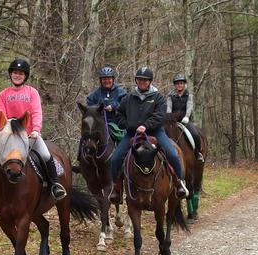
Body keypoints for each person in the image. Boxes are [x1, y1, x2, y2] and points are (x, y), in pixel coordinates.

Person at [0, 58, 67, 201]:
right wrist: (1, 130)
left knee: (46, 156)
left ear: (25, 76)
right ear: (10, 74)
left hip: (29, 136)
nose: (17, 75)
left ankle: (54, 185)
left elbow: (36, 112)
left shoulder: (32, 92)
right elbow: (0, 115)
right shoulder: (3, 95)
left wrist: (36, 129)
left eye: (21, 73)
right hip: (9, 138)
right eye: (15, 72)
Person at [109, 67, 189, 204]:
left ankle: (179, 183)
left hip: (155, 132)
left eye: (145, 80)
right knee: (115, 158)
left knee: (172, 153)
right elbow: (118, 115)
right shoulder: (129, 98)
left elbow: (159, 116)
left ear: (150, 81)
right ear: (136, 80)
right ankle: (116, 188)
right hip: (132, 133)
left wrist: (146, 125)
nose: (142, 82)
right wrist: (128, 125)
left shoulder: (158, 97)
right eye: (139, 79)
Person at [76, 66, 127, 164]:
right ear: (101, 80)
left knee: (123, 138)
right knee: (84, 137)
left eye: (109, 78)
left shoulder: (121, 93)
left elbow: (125, 105)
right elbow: (90, 108)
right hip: (98, 124)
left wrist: (113, 107)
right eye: (104, 79)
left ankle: (124, 161)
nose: (107, 81)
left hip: (116, 122)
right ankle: (80, 161)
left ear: (113, 79)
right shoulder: (94, 95)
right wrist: (97, 109)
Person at [166, 73, 204, 162]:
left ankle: (198, 153)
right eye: (177, 83)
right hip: (173, 121)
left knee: (195, 134)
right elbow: (168, 109)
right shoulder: (170, 96)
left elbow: (189, 107)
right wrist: (169, 118)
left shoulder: (189, 95)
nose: (179, 85)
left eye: (181, 83)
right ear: (175, 85)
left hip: (185, 120)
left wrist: (187, 116)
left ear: (184, 84)